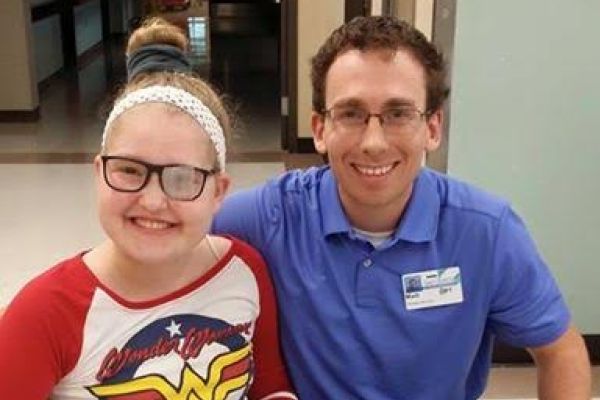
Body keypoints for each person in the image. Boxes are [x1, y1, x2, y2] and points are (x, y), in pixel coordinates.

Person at [212, 15, 592, 399]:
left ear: (432, 128)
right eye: (351, 113)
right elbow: (170, 233)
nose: (374, 142)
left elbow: (561, 350)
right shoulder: (271, 216)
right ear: (321, 129)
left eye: (398, 114)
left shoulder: (486, 231)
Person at [0, 18, 296, 400]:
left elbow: (269, 384)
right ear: (99, 172)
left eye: (183, 177)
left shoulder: (246, 270)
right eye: (129, 170)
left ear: (218, 191)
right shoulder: (44, 314)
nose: (154, 201)